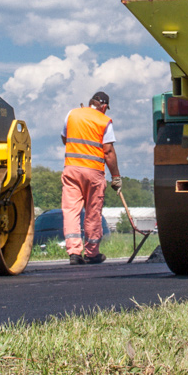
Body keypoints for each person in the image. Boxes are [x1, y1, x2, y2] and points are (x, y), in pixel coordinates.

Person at [60, 91, 122, 265]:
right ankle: (92, 253)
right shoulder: (104, 121)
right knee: (93, 211)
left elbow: (65, 138)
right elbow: (108, 151)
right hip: (93, 171)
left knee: (71, 211)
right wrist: (116, 176)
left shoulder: (72, 114)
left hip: (71, 169)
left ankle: (74, 252)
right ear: (103, 107)